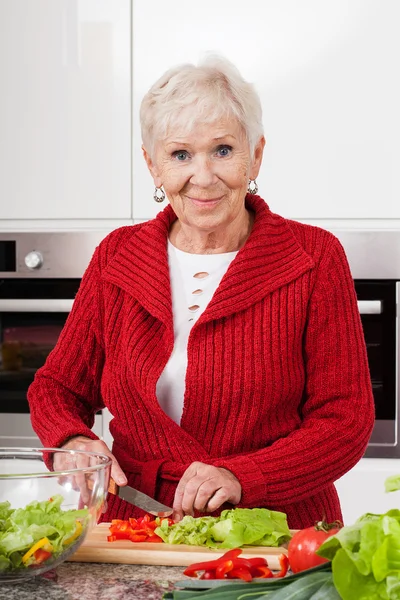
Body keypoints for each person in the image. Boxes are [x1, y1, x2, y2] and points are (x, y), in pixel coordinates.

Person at [28, 55, 375, 529]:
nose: (204, 176)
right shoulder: (116, 256)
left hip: (277, 533)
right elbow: (57, 387)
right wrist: (71, 442)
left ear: (256, 154)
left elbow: (346, 422)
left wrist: (244, 475)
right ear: (153, 166)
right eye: (180, 155)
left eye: (224, 150)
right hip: (138, 529)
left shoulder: (314, 257)